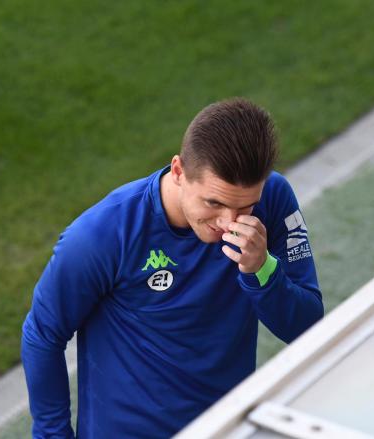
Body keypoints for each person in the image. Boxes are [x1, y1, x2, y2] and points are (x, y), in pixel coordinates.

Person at [21, 97, 324, 438]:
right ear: (179, 171)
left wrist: (261, 269)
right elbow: (43, 335)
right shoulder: (101, 235)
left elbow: (308, 328)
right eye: (214, 203)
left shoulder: (275, 199)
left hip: (227, 428)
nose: (228, 222)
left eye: (245, 207)